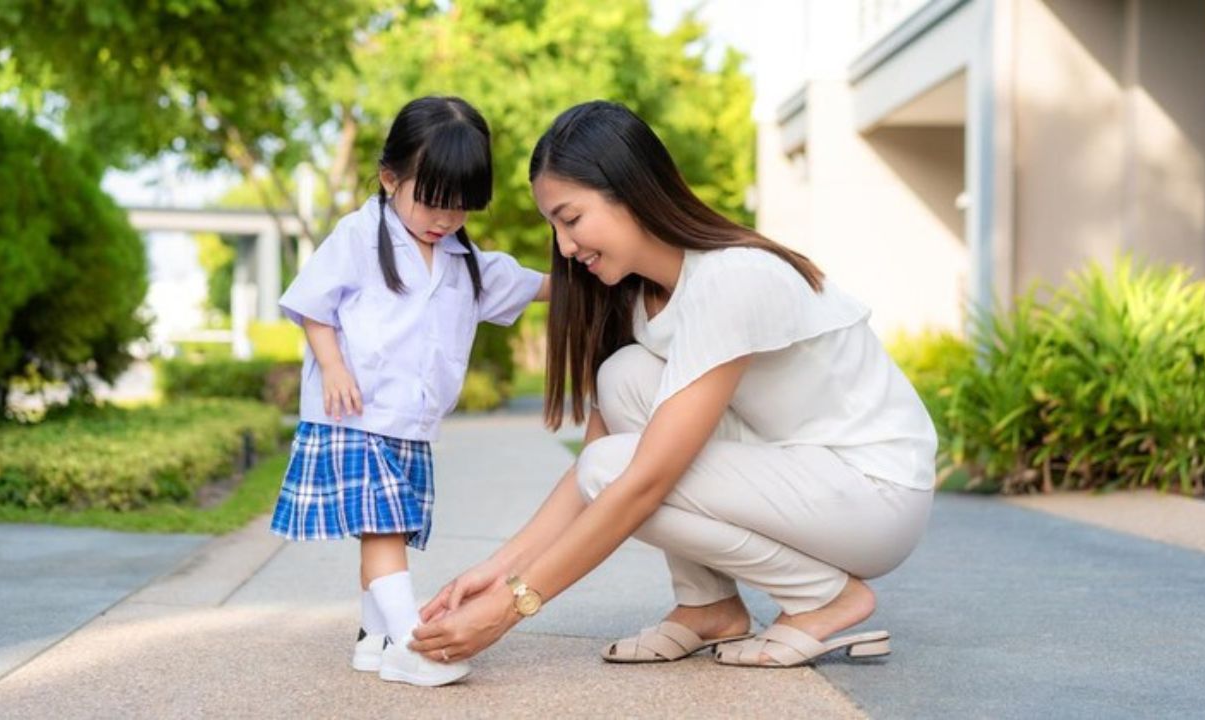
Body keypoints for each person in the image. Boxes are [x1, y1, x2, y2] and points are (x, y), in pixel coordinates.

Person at [411, 100, 936, 670]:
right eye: (554, 226)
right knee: (624, 379)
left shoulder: (733, 278)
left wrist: (511, 608)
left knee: (617, 470)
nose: (563, 247)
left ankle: (824, 598)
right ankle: (707, 605)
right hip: (801, 473)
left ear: (630, 191)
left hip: (873, 493)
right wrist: (497, 571)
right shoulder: (640, 299)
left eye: (571, 218)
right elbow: (589, 466)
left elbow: (639, 481)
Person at [269, 96, 549, 686]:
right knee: (385, 528)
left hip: (410, 422)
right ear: (389, 177)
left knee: (386, 528)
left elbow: (530, 286)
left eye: (462, 207)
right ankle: (409, 644)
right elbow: (312, 306)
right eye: (431, 201)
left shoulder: (462, 257)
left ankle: (373, 639)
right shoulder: (358, 235)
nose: (444, 219)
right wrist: (334, 367)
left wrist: (607, 271)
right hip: (354, 414)